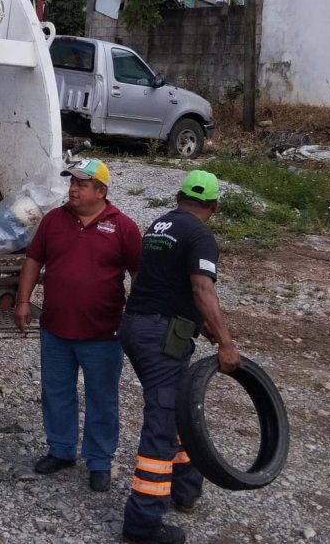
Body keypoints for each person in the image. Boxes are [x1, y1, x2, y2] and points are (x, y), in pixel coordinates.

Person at [120, 169, 241, 544]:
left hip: (136, 325)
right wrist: (225, 341)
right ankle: (142, 525)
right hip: (161, 336)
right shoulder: (201, 234)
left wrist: (198, 321)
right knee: (164, 419)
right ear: (215, 206)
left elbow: (152, 280)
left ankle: (186, 490)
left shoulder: (159, 226)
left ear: (178, 197)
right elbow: (202, 287)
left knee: (180, 407)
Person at [14, 157, 142, 493]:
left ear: (101, 191)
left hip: (103, 333)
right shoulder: (54, 220)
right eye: (71, 183)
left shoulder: (123, 226)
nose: (72, 190)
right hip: (55, 329)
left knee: (102, 398)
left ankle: (99, 461)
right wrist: (23, 301)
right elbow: (33, 259)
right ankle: (61, 450)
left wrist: (137, 318)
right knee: (56, 393)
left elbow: (139, 274)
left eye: (81, 184)